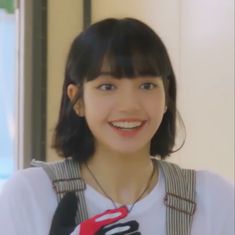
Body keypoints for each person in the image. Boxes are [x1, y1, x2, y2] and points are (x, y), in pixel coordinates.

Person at [0, 18, 233, 235]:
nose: (129, 106)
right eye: (107, 87)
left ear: (166, 97)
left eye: (147, 85)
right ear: (77, 100)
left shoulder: (214, 200)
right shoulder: (28, 196)